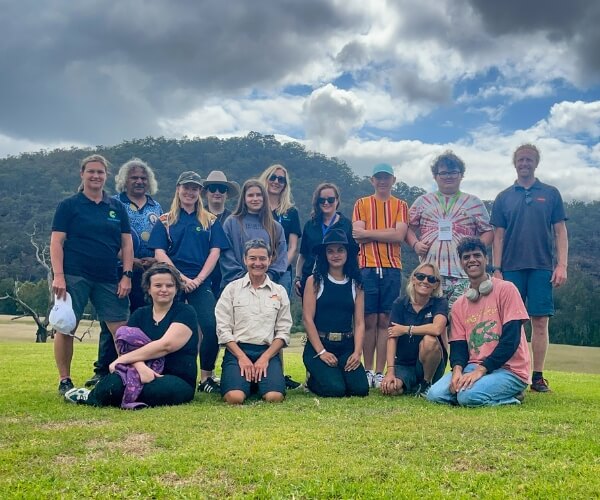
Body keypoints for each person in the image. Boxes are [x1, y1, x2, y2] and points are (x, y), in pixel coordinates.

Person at [50, 154, 133, 395]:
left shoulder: (116, 207)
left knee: (121, 329)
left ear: (106, 176)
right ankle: (65, 379)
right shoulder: (69, 205)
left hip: (108, 276)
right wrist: (58, 275)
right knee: (66, 327)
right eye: (91, 171)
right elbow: (57, 242)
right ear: (82, 174)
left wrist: (126, 275)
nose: (96, 176)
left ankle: (126, 377)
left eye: (100, 172)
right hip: (74, 275)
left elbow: (127, 245)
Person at [64, 263, 198, 408]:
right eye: (158, 285)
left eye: (169, 285)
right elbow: (126, 346)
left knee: (154, 390)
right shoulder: (140, 314)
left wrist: (122, 360)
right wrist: (141, 367)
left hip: (175, 376)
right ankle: (90, 395)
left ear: (177, 288)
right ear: (149, 288)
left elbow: (166, 345)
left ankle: (112, 397)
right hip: (136, 372)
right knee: (111, 386)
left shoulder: (185, 312)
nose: (164, 290)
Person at [491, 144, 568, 393]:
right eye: (521, 159)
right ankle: (511, 371)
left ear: (536, 163)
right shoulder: (504, 197)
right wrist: (497, 269)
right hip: (510, 268)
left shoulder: (551, 193)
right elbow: (498, 236)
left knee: (540, 321)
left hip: (542, 267)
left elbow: (560, 232)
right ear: (515, 163)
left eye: (529, 159)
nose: (525, 163)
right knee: (511, 323)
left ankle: (537, 376)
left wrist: (562, 265)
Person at [148, 171, 229, 394]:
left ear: (199, 192)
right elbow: (159, 252)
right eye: (186, 187)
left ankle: (206, 377)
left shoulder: (209, 221)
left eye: (194, 188)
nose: (190, 192)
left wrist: (198, 279)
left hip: (201, 282)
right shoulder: (165, 220)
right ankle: (161, 372)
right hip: (170, 282)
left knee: (211, 327)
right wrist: (180, 278)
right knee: (166, 328)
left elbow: (215, 252)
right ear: (178, 189)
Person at [86, 158, 163, 388]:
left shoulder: (156, 207)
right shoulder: (113, 204)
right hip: (119, 272)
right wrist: (132, 261)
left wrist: (152, 260)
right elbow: (109, 239)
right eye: (134, 177)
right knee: (112, 320)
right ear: (124, 181)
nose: (139, 181)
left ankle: (140, 366)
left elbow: (161, 239)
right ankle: (103, 369)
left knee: (143, 319)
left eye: (143, 178)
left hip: (149, 274)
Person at [426, 238, 531, 406]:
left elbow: (511, 340)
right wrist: (457, 372)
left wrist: (481, 371)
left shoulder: (507, 289)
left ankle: (513, 397)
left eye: (477, 255)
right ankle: (483, 391)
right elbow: (458, 346)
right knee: (434, 394)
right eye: (466, 257)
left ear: (486, 259)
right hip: (472, 367)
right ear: (461, 262)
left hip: (509, 370)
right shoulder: (460, 304)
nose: (472, 260)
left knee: (467, 397)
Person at [407, 151, 493, 310]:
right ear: (435, 176)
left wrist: (474, 249)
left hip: (463, 274)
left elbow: (488, 231)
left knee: (461, 319)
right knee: (430, 321)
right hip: (429, 276)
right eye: (444, 173)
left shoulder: (474, 202)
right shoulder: (422, 201)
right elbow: (407, 228)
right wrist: (415, 245)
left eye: (453, 172)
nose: (448, 176)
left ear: (461, 175)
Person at [352, 163, 408, 389]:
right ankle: (367, 369)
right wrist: (384, 233)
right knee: (368, 320)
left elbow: (399, 235)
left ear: (393, 180)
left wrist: (369, 233)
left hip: (392, 267)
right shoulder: (362, 204)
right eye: (378, 178)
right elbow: (357, 235)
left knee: (386, 320)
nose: (382, 181)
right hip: (366, 266)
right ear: (372, 180)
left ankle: (380, 371)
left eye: (386, 178)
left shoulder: (401, 205)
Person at [215, 239, 292, 404]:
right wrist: (242, 357)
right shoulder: (232, 289)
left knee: (274, 397)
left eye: (262, 258)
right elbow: (223, 329)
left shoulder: (279, 292)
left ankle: (257, 381)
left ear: (270, 260)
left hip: (268, 352)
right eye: (253, 258)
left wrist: (265, 358)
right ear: (245, 259)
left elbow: (283, 331)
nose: (258, 263)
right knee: (235, 398)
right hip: (237, 352)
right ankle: (245, 381)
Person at [302, 228, 369, 397]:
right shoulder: (315, 281)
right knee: (335, 390)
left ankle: (338, 373)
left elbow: (360, 322)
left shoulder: (356, 283)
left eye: (340, 250)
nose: (335, 255)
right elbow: (307, 319)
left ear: (347, 253)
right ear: (324, 254)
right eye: (330, 251)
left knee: (360, 389)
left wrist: (357, 352)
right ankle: (312, 379)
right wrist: (321, 352)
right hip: (320, 345)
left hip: (346, 345)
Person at [381, 263, 448, 397]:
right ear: (413, 279)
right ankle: (412, 385)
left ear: (436, 284)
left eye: (431, 279)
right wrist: (390, 371)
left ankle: (426, 384)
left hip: (431, 364)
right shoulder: (400, 303)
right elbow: (392, 337)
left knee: (429, 340)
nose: (425, 281)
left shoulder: (440, 303)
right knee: (391, 389)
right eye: (421, 276)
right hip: (404, 364)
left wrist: (406, 329)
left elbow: (436, 329)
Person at [220, 179, 287, 288]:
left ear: (264, 198)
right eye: (250, 195)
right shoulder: (231, 223)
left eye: (259, 195)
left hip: (267, 287)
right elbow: (226, 255)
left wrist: (266, 278)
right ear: (244, 199)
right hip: (235, 285)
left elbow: (281, 258)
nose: (255, 199)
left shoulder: (276, 227)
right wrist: (243, 278)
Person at [295, 183, 355, 298]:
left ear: (337, 201)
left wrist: (356, 277)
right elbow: (303, 255)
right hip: (310, 280)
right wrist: (298, 277)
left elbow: (353, 254)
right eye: (322, 200)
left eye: (330, 199)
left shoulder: (346, 225)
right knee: (309, 315)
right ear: (317, 202)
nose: (326, 203)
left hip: (338, 279)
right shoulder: (310, 225)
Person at [258, 164, 302, 298]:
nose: (276, 182)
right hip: (257, 268)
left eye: (281, 179)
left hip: (283, 273)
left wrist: (278, 269)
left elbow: (293, 247)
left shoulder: (292, 212)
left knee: (279, 314)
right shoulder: (256, 208)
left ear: (285, 185)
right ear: (265, 179)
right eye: (273, 177)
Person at [200, 170, 240, 299]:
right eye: (212, 188)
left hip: (227, 273)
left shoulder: (235, 219)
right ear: (206, 192)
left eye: (222, 189)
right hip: (201, 272)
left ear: (227, 194)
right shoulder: (196, 217)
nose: (217, 192)